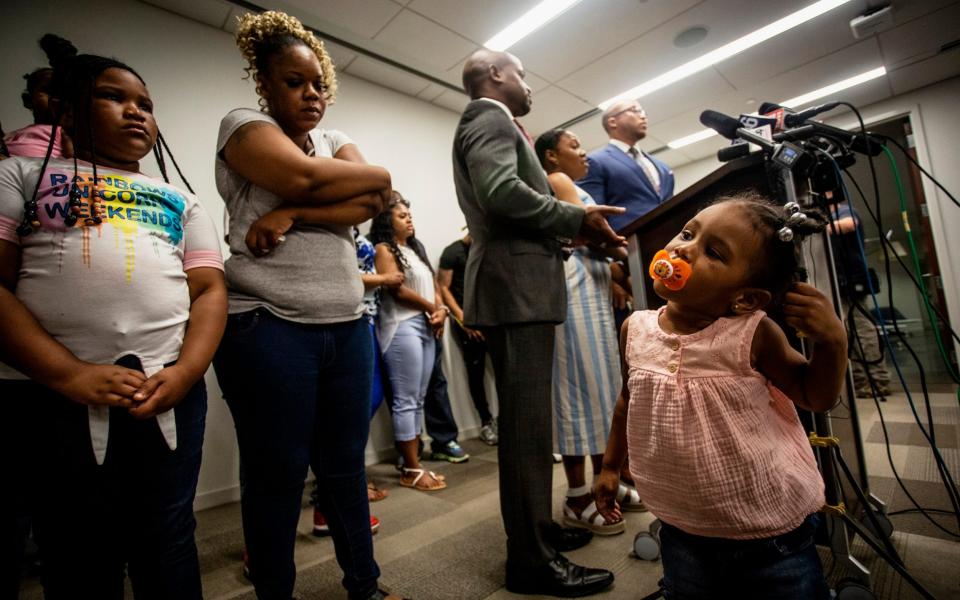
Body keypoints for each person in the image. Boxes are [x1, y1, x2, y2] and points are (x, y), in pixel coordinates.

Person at [0, 34, 227, 599]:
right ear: (69, 109)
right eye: (114, 97)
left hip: (167, 388)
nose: (136, 111)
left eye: (146, 104)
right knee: (75, 541)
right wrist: (67, 373)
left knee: (168, 533)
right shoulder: (20, 178)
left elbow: (209, 291)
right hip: (48, 394)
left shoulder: (180, 199)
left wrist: (187, 372)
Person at [211, 11, 400, 600]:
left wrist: (293, 214)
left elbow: (372, 199)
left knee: (346, 469)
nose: (311, 94)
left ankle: (363, 586)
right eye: (294, 82)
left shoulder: (335, 141)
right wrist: (328, 189)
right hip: (267, 325)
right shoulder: (243, 126)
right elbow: (311, 179)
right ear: (264, 83)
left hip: (345, 325)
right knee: (278, 475)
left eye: (318, 82)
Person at [596, 193, 846, 599]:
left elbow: (813, 395)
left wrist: (833, 341)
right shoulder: (635, 329)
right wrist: (610, 467)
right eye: (686, 233)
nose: (682, 248)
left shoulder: (752, 334)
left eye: (712, 251)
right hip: (683, 528)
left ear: (745, 298)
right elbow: (628, 401)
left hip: (769, 535)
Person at [453, 48, 625, 597]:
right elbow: (501, 194)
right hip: (514, 290)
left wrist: (568, 230)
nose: (529, 85)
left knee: (533, 429)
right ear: (496, 76)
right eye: (522, 75)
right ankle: (529, 561)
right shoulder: (487, 116)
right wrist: (575, 216)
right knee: (527, 435)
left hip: (519, 287)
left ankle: (540, 533)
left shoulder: (500, 123)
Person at [535, 128, 643, 536]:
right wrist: (619, 246)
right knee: (577, 393)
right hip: (572, 293)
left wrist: (618, 260)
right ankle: (577, 496)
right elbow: (591, 236)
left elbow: (601, 245)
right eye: (575, 147)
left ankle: (605, 484)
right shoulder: (558, 181)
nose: (585, 155)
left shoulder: (575, 187)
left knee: (602, 392)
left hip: (591, 294)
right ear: (551, 157)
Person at [370, 196, 448, 491]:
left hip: (427, 323)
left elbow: (435, 286)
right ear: (387, 222)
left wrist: (441, 310)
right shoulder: (384, 249)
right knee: (406, 399)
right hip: (402, 326)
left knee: (419, 397)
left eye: (409, 215)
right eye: (402, 216)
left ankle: (411, 464)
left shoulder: (413, 250)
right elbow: (397, 290)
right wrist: (432, 308)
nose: (409, 219)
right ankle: (412, 469)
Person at [438, 230, 498, 445]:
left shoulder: (487, 249)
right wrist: (464, 319)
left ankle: (508, 420)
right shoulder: (452, 252)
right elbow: (443, 288)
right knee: (476, 373)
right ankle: (486, 422)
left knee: (505, 371)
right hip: (468, 325)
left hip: (492, 322)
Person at [577, 99, 674, 232]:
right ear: (612, 122)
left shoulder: (663, 167)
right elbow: (594, 216)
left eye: (643, 112)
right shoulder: (594, 161)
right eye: (635, 110)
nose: (643, 116)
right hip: (629, 244)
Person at [827, 200, 891, 397]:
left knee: (862, 331)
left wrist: (820, 228)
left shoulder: (845, 210)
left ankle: (878, 381)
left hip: (852, 282)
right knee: (847, 333)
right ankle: (861, 383)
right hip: (840, 283)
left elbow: (850, 223)